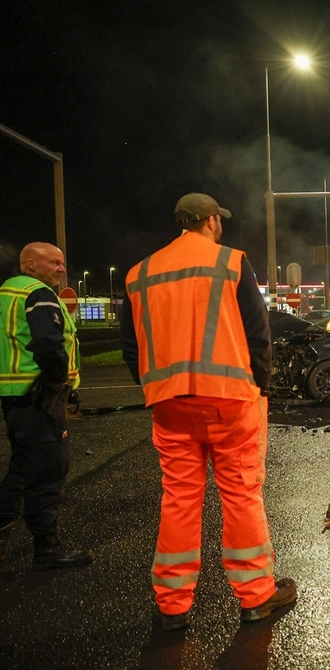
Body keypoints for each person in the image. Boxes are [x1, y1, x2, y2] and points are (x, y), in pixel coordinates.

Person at [121, 193, 296, 630]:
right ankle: (256, 597)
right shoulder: (231, 262)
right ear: (213, 221)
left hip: (169, 404)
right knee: (241, 494)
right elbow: (259, 334)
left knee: (179, 499)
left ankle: (172, 606)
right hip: (230, 401)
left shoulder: (139, 273)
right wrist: (261, 386)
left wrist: (158, 386)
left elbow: (131, 346)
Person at [0, 242, 93, 570]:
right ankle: (47, 547)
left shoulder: (6, 293)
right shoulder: (37, 294)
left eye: (62, 263)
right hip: (39, 398)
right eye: (52, 262)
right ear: (29, 264)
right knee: (50, 470)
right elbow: (50, 343)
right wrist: (57, 384)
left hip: (14, 397)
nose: (60, 269)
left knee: (23, 468)